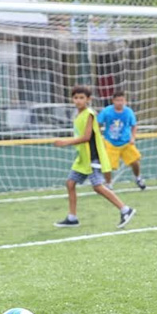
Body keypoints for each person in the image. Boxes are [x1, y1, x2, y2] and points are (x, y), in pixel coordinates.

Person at [54, 85, 136, 229]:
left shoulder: (89, 114)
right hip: (83, 158)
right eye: (75, 98)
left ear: (88, 99)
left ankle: (125, 210)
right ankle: (72, 218)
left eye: (81, 98)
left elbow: (86, 137)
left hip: (92, 157)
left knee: (98, 187)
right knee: (70, 183)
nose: (78, 101)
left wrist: (65, 142)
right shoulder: (78, 115)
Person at [97, 90, 146, 190]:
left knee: (135, 161)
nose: (120, 103)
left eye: (122, 100)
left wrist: (132, 138)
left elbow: (134, 126)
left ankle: (138, 178)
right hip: (110, 142)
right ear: (113, 101)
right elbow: (98, 124)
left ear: (125, 101)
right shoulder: (107, 111)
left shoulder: (128, 112)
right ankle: (108, 184)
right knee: (108, 165)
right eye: (117, 100)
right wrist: (98, 136)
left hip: (126, 142)